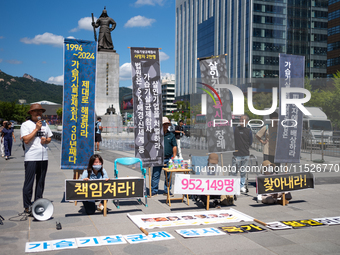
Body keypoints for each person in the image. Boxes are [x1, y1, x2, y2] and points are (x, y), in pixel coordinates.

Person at [21, 104, 53, 214]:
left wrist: (46, 141)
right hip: (31, 157)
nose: (38, 113)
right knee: (29, 182)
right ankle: (27, 206)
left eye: (40, 111)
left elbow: (49, 138)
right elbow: (26, 140)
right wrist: (36, 129)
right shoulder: (26, 125)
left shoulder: (45, 124)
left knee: (40, 182)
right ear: (31, 113)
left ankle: (38, 203)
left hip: (44, 157)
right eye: (36, 111)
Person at [151, 117, 177, 196]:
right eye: (164, 124)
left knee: (168, 176)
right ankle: (154, 191)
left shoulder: (171, 135)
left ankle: (167, 191)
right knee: (155, 175)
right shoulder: (156, 135)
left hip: (168, 158)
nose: (166, 126)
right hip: (158, 158)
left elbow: (174, 146)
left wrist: (174, 157)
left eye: (167, 124)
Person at [231, 115, 253, 193]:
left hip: (245, 154)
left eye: (242, 119)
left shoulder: (249, 130)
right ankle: (232, 185)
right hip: (236, 154)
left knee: (243, 171)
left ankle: (241, 186)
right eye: (240, 119)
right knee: (234, 171)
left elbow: (250, 142)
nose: (241, 121)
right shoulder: (234, 129)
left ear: (246, 121)